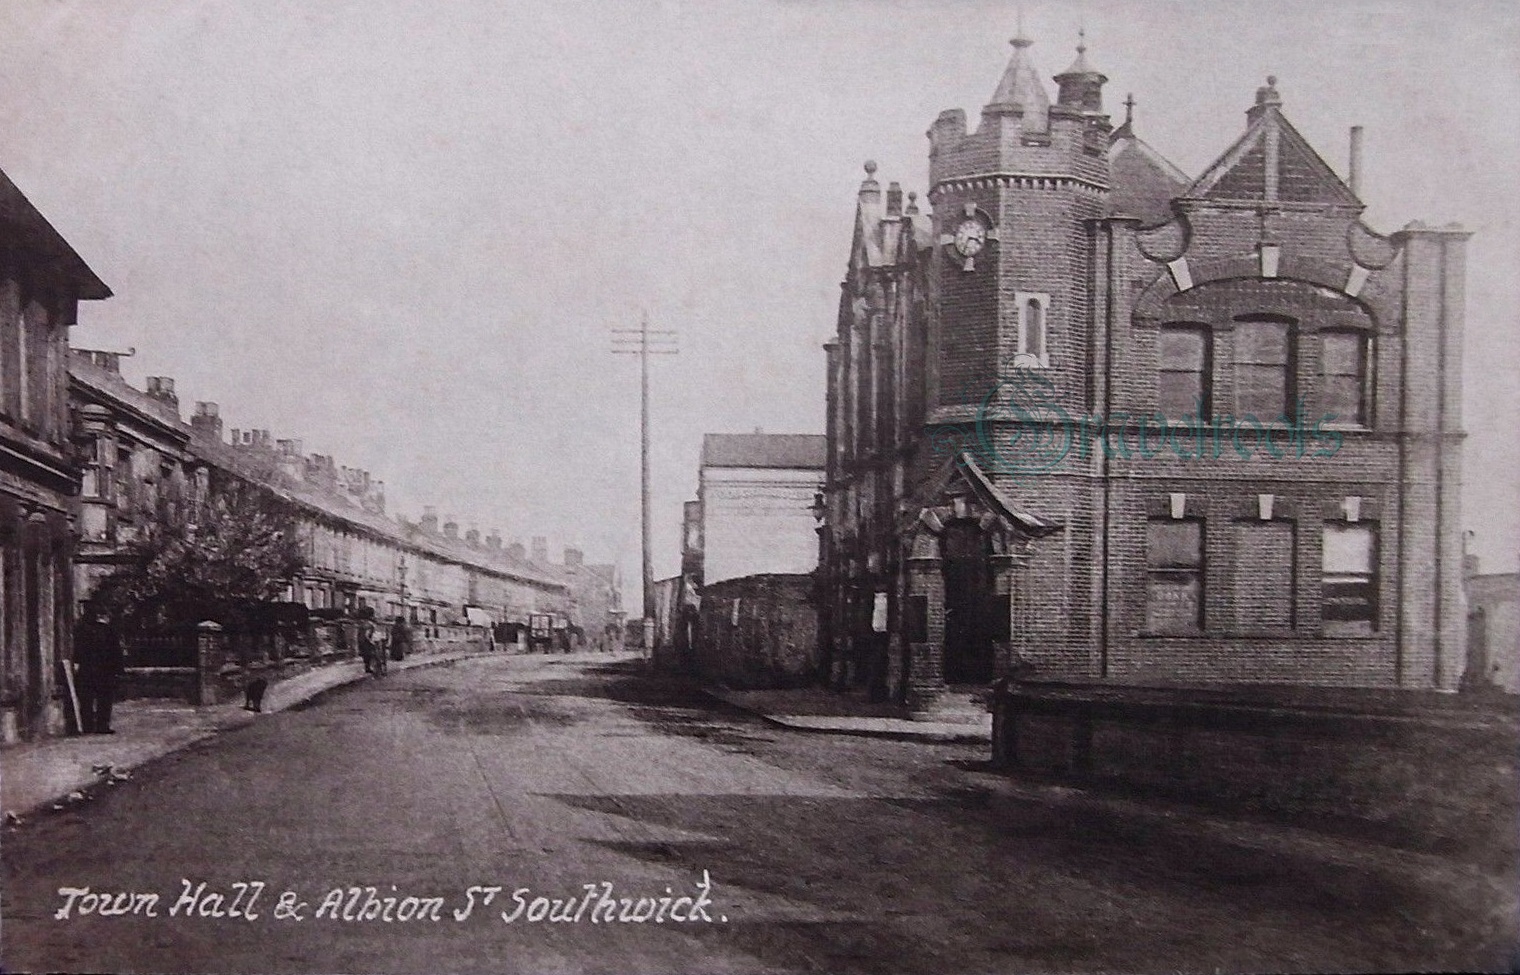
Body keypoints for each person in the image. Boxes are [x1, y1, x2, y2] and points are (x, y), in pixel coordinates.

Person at [74, 608, 123, 734]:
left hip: (87, 669)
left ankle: (88, 725)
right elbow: (116, 652)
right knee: (105, 698)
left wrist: (78, 664)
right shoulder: (110, 631)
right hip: (105, 670)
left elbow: (77, 650)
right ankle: (102, 725)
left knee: (87, 699)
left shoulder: (83, 630)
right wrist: (118, 670)